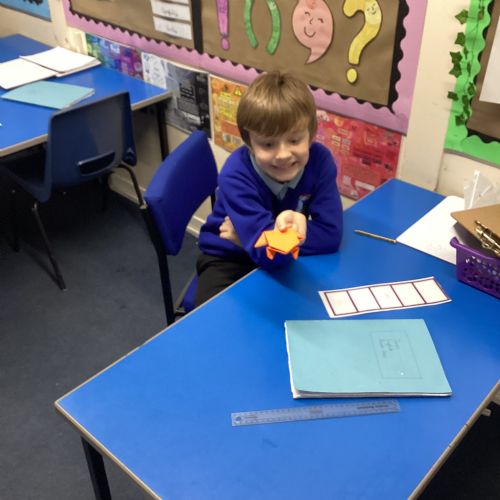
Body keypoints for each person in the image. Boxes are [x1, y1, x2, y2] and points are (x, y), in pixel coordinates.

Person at [194, 71, 343, 306]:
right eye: (268, 144)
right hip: (228, 257)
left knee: (306, 310)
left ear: (311, 135)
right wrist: (273, 241)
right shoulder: (236, 174)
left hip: (272, 253)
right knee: (216, 320)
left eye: (294, 140)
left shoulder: (320, 161)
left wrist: (259, 239)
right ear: (249, 143)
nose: (283, 154)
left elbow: (331, 235)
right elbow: (271, 257)